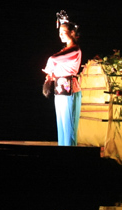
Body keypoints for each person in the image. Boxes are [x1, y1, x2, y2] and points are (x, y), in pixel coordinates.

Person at [42, 10, 82, 146]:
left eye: (63, 32)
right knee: (61, 125)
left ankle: (70, 157)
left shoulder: (75, 49)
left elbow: (53, 59)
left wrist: (49, 70)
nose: (61, 36)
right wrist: (52, 75)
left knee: (69, 126)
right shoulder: (65, 50)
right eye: (59, 33)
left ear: (72, 33)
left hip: (70, 89)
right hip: (60, 89)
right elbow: (57, 65)